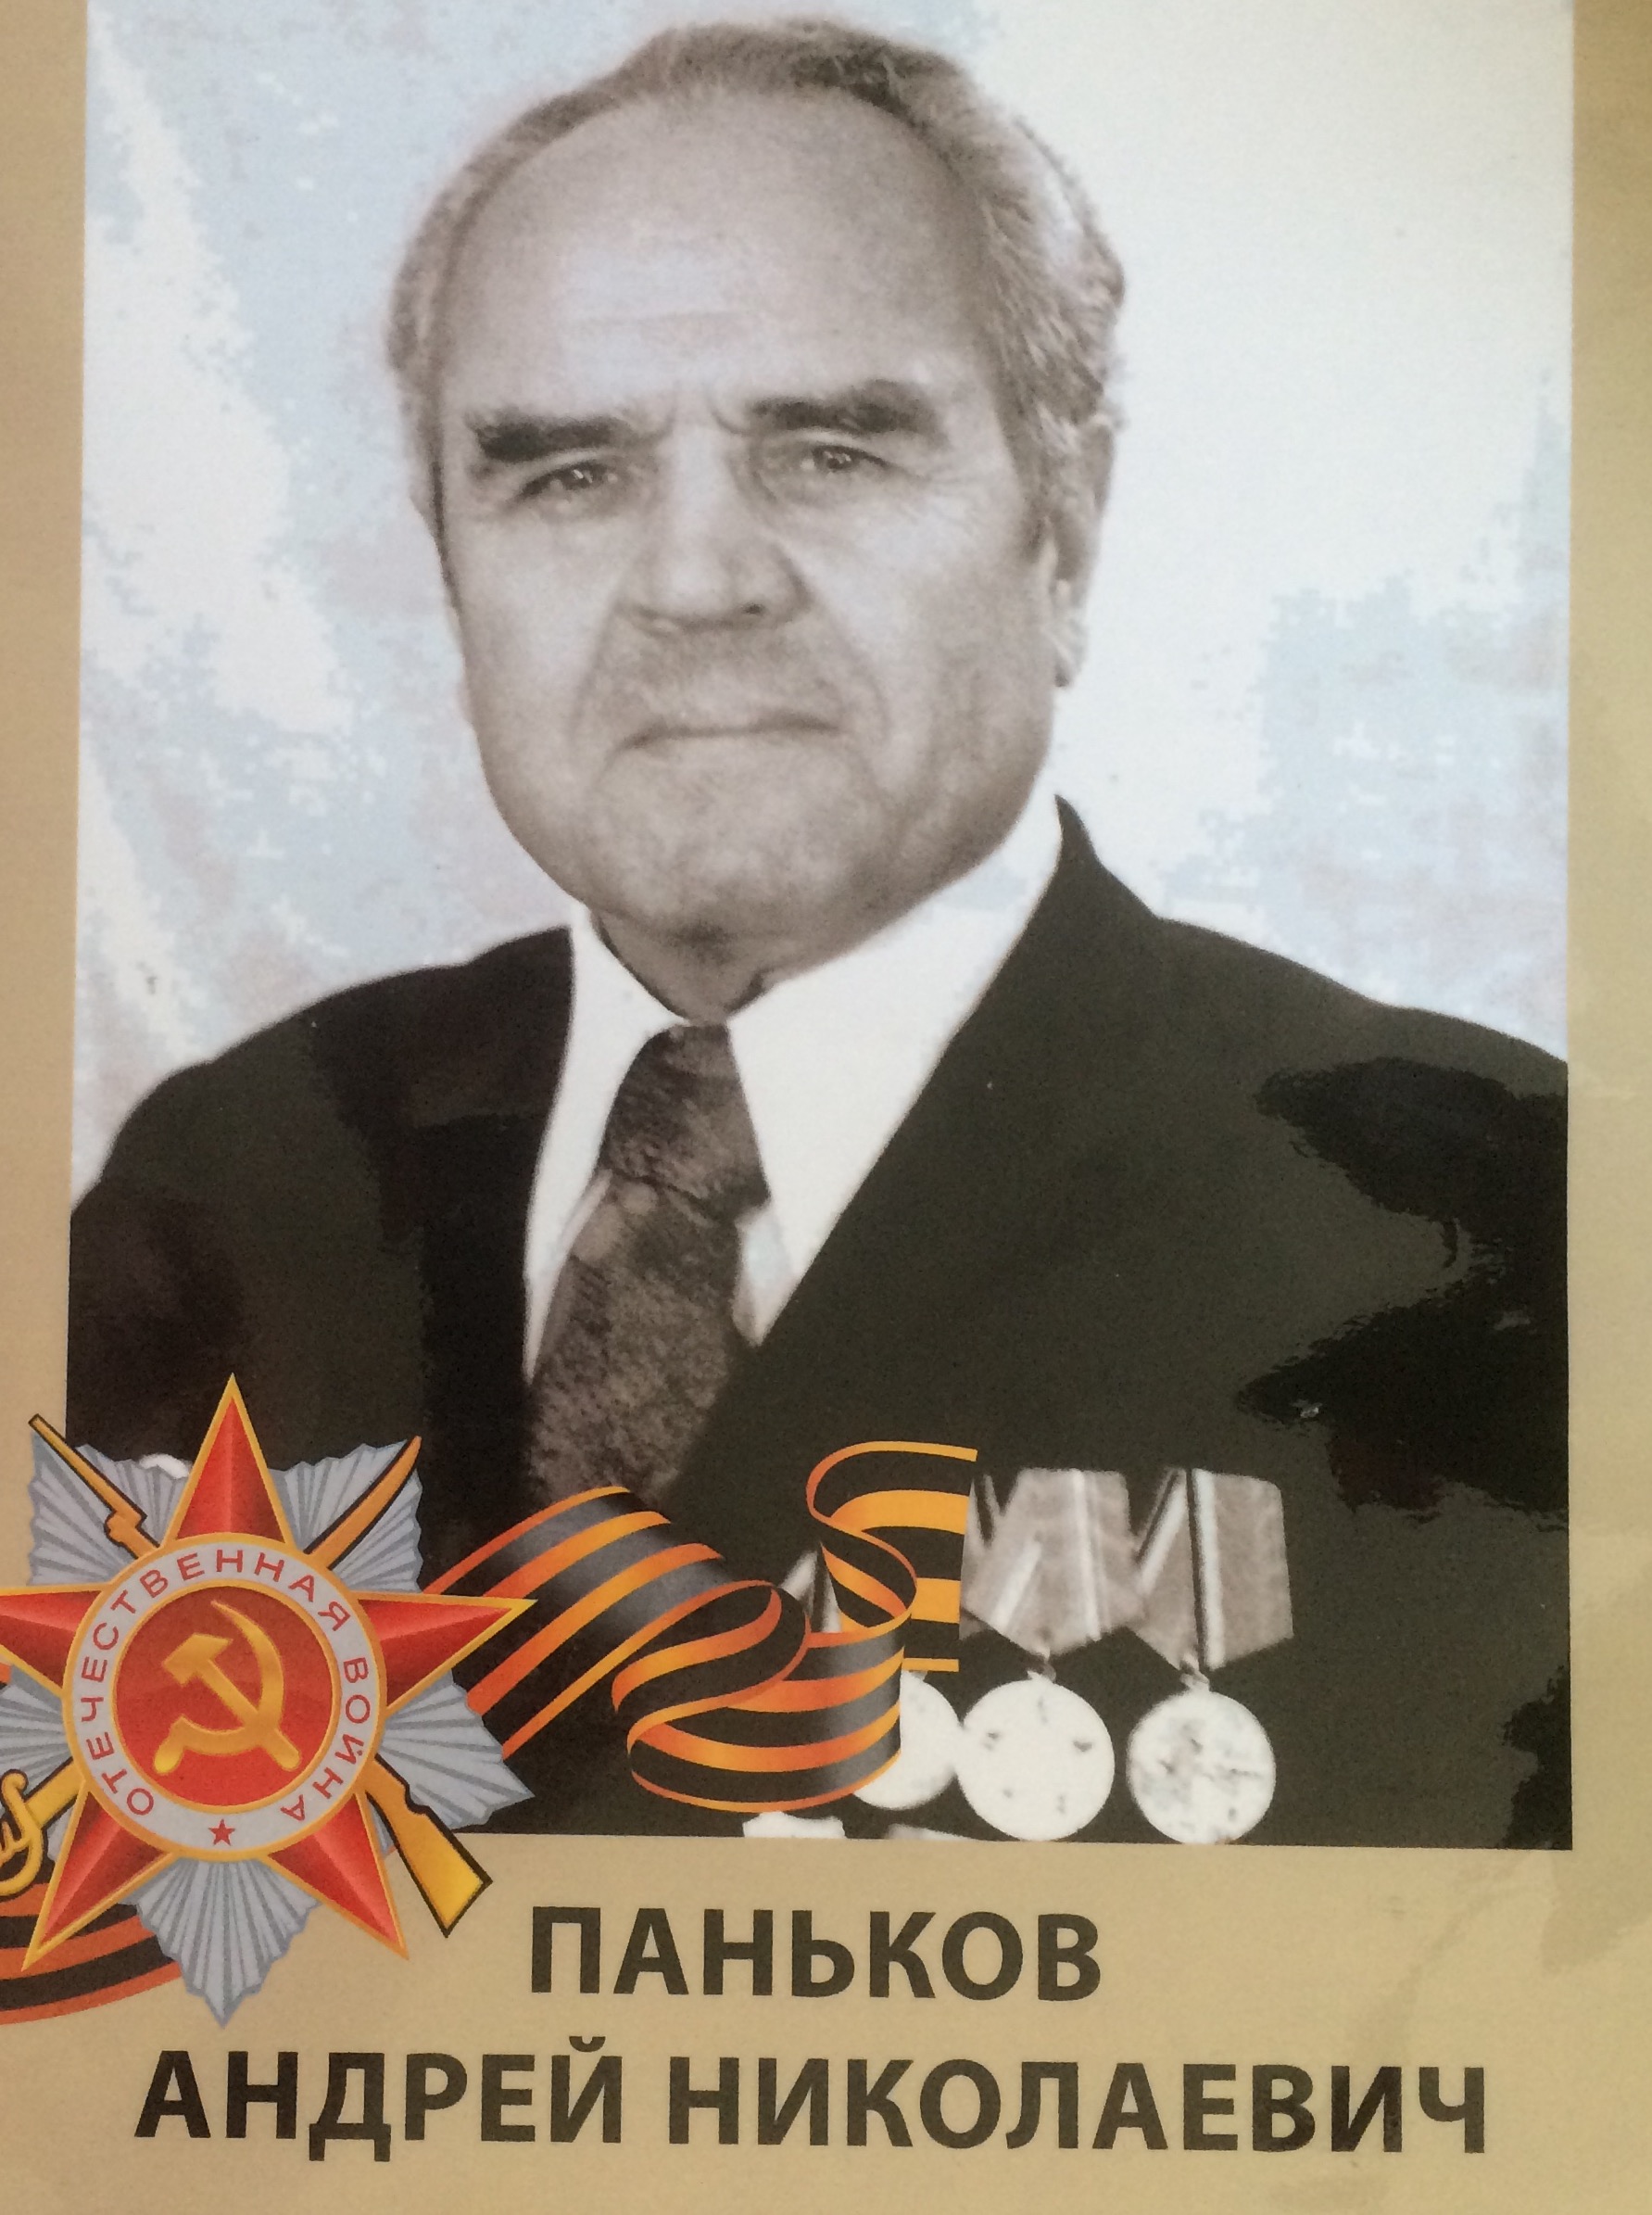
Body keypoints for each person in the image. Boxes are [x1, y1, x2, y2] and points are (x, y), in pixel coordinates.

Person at [66, 19, 1567, 1847]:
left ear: (1067, 532)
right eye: (567, 474)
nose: (697, 581)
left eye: (833, 452)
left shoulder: (1486, 1215)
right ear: (449, 561)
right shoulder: (237, 1181)